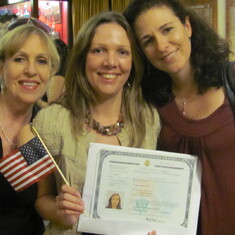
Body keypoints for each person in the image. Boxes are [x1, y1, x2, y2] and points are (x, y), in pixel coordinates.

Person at [31, 11, 160, 235]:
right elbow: (41, 198)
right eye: (98, 50)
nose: (111, 62)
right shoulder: (49, 121)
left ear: (133, 61)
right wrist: (59, 211)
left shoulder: (148, 119)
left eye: (122, 52)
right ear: (82, 58)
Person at [124, 0, 234, 235]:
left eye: (167, 29)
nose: (162, 46)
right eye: (148, 41)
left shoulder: (232, 80)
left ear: (187, 27)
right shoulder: (148, 102)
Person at [0, 24, 60, 234]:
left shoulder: (45, 129)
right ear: (1, 67)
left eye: (41, 61)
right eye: (19, 59)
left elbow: (45, 201)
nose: (31, 70)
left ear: (51, 71)